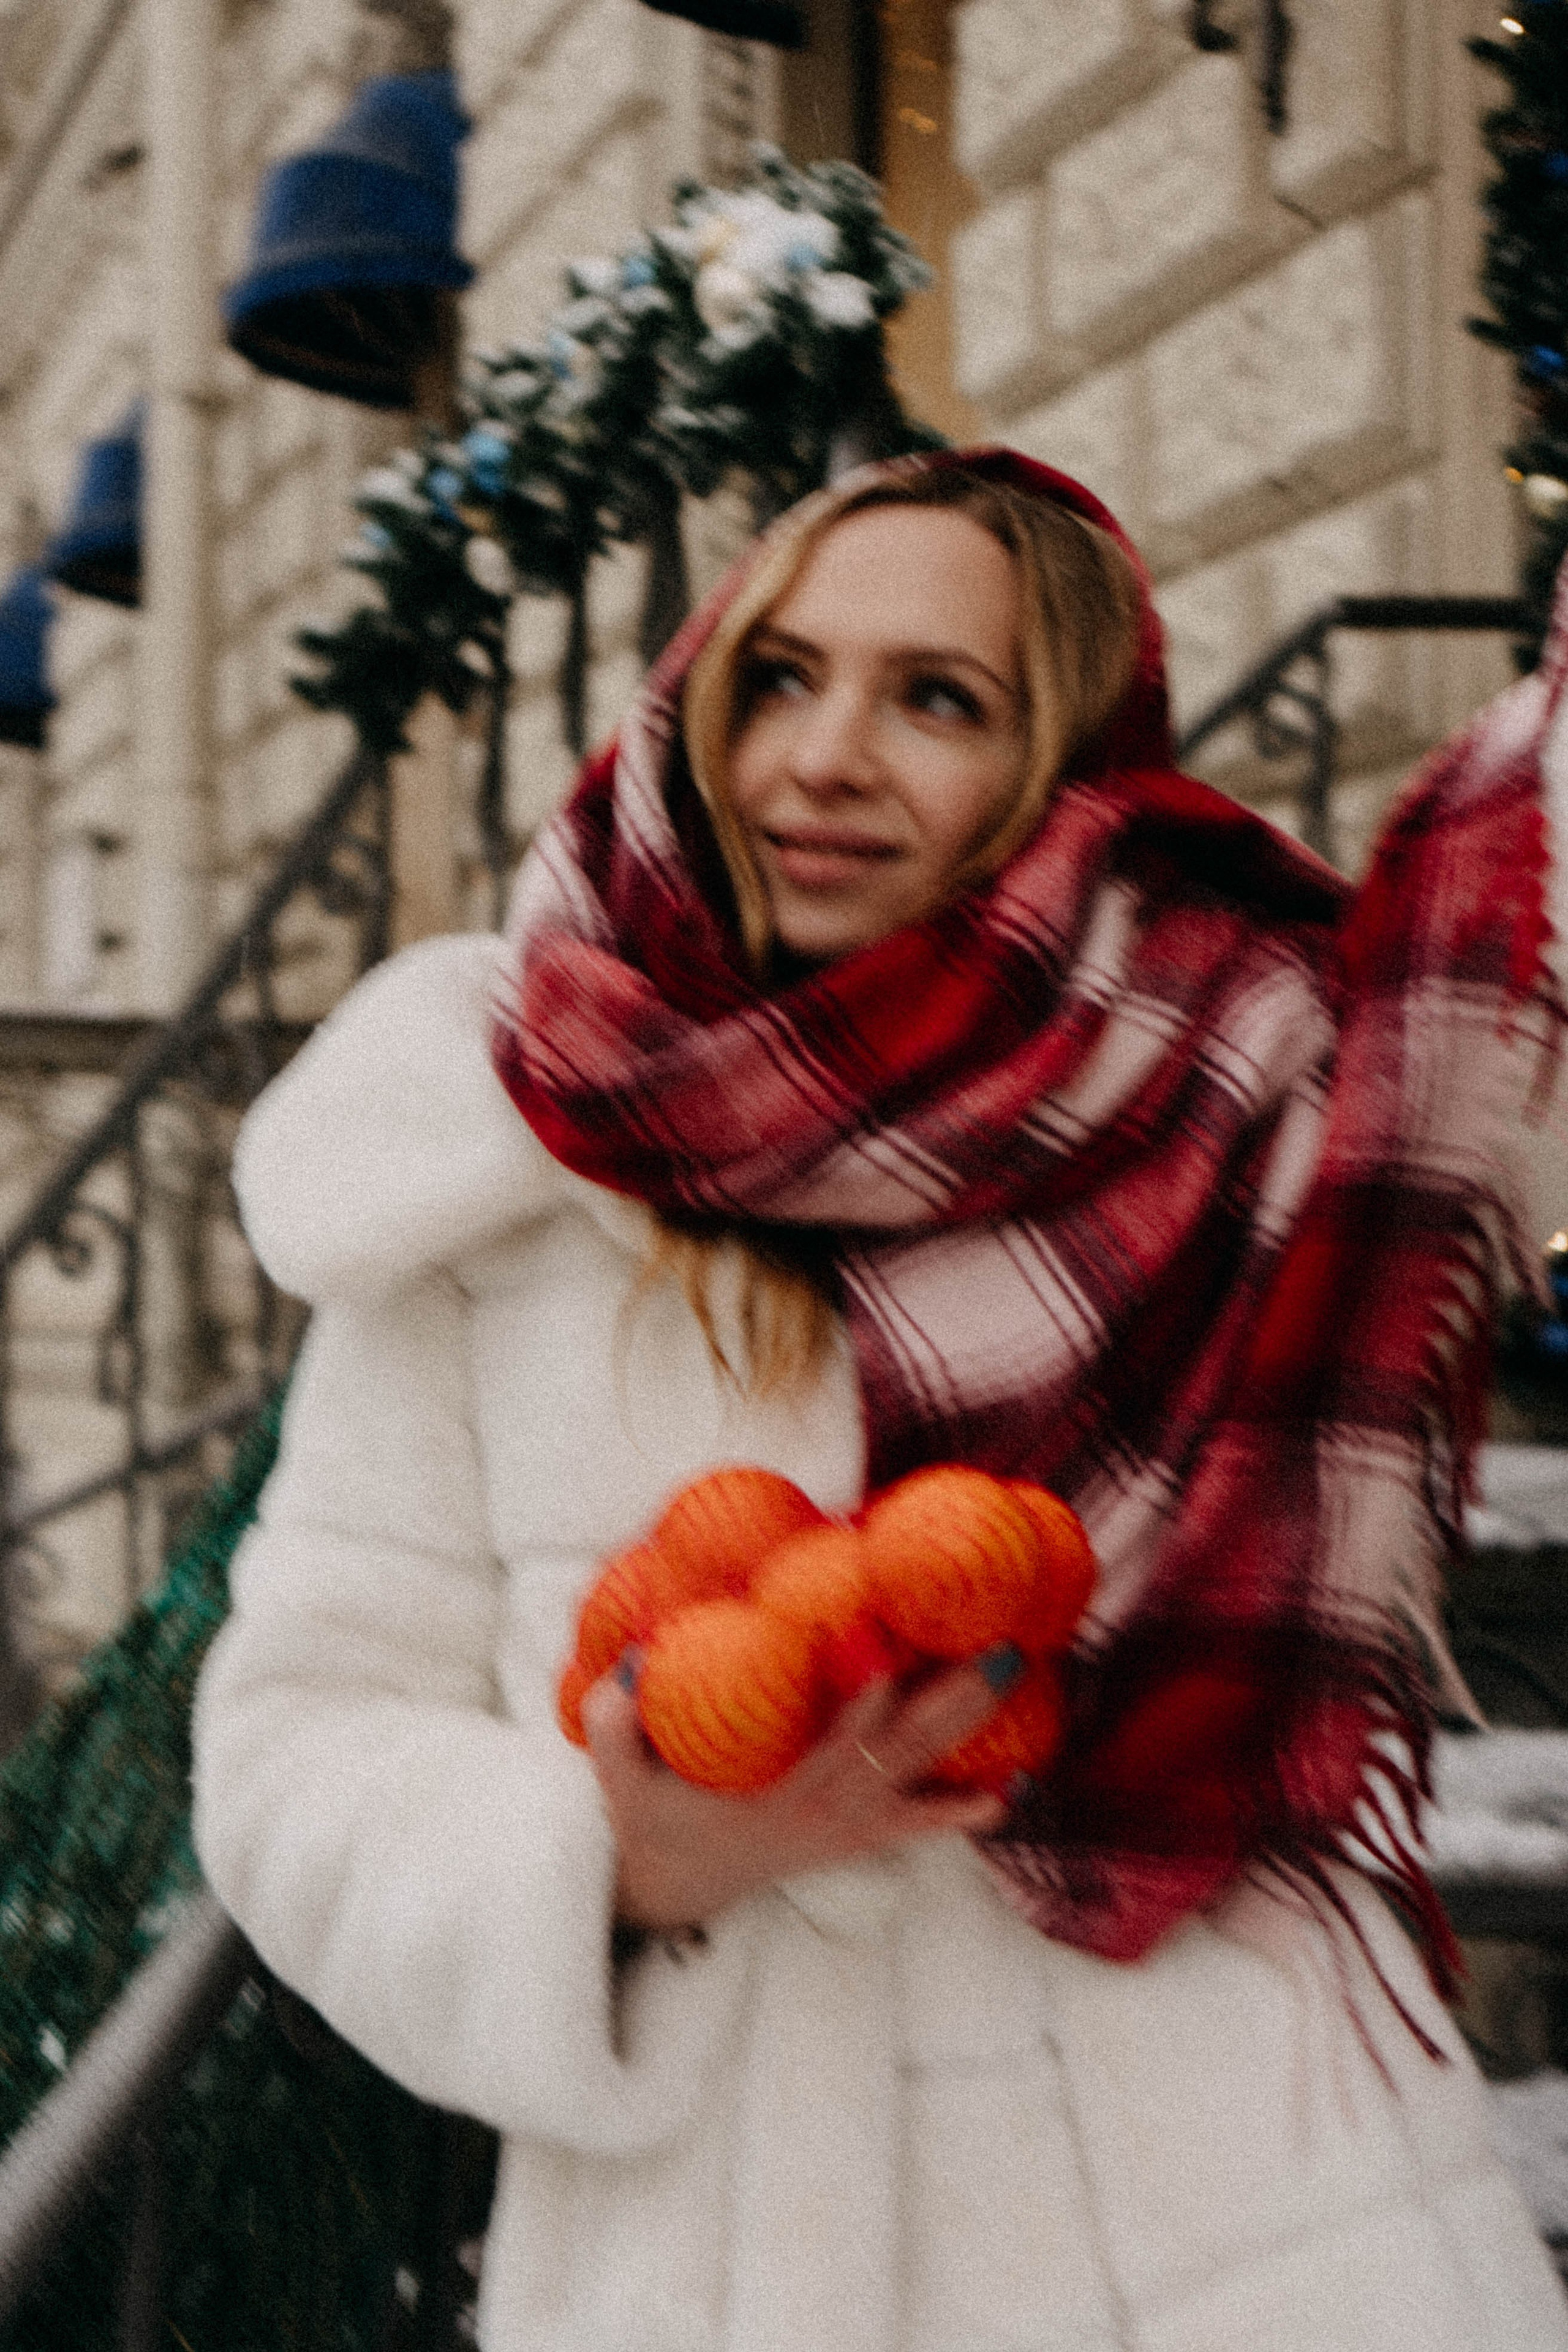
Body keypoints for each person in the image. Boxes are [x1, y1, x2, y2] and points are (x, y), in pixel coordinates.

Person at [192, 448, 1568, 2351]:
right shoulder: (503, 1165)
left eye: (940, 699)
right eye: (782, 677)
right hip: (734, 2249)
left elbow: (1512, 948)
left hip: (1244, 2224)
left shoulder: (1246, 1075)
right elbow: (295, 1747)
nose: (825, 760)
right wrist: (623, 1864)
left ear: (1066, 764)